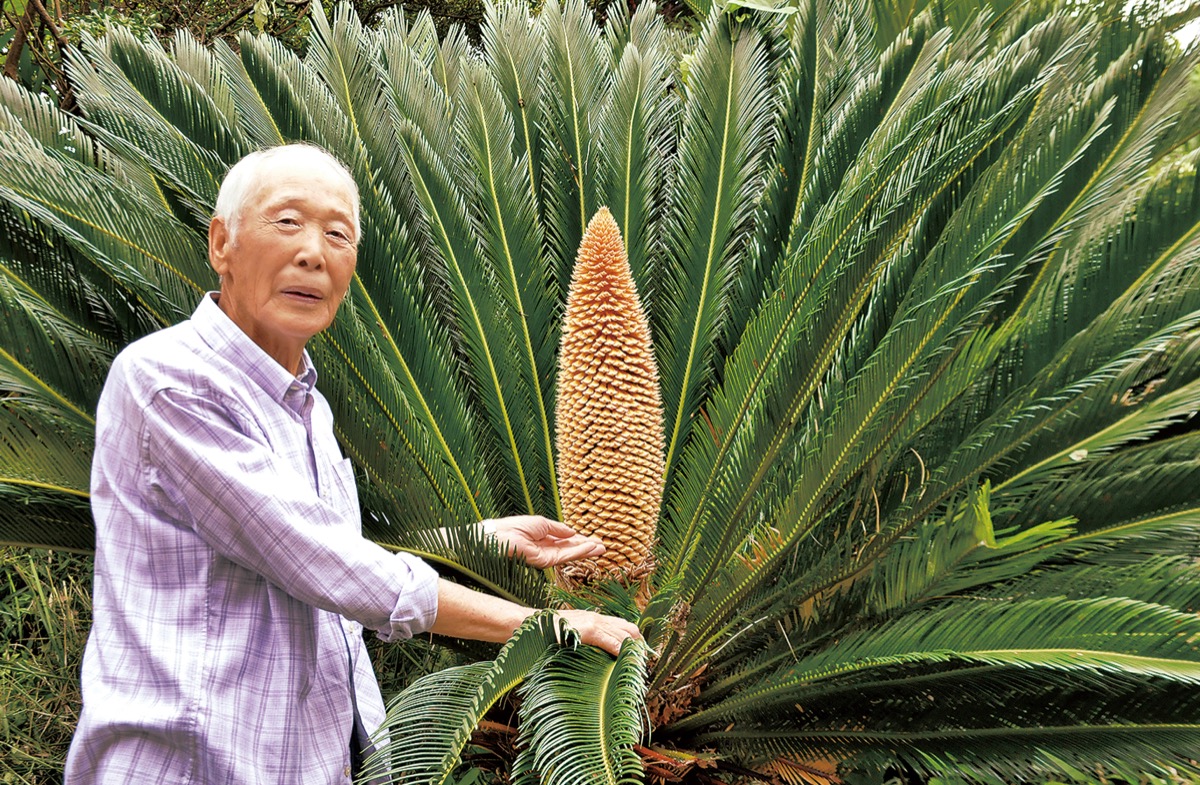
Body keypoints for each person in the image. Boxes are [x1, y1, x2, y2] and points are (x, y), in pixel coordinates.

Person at [65, 143, 642, 784]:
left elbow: (310, 554)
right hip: (191, 766)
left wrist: (475, 541)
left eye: (337, 233)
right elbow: (322, 564)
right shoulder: (170, 381)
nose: (313, 251)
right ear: (221, 243)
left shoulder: (306, 405)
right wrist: (551, 625)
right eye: (287, 222)